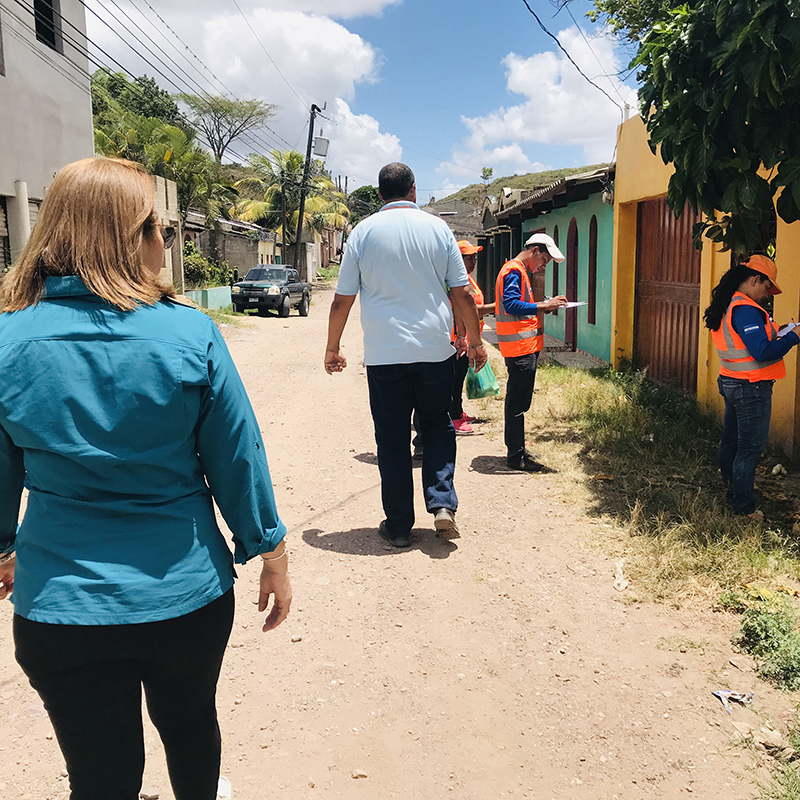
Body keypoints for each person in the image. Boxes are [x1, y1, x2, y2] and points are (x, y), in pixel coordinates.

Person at [0, 157, 291, 800]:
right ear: (128, 235)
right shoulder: (191, 333)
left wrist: (3, 549)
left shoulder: (7, 341)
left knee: (98, 774)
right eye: (159, 224)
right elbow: (236, 457)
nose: (168, 237)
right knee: (190, 727)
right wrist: (269, 549)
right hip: (184, 596)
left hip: (59, 606)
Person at [324, 162, 487, 547]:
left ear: (380, 194)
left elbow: (341, 300)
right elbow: (462, 293)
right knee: (436, 427)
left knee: (393, 439)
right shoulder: (437, 229)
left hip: (385, 357)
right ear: (414, 190)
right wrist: (476, 342)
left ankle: (398, 525)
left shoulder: (361, 234)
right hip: (435, 353)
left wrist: (333, 347)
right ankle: (442, 504)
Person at [705, 255, 800, 521]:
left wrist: (777, 332)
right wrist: (793, 337)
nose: (767, 294)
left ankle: (732, 493)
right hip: (751, 388)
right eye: (767, 287)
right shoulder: (746, 309)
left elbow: (749, 342)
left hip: (731, 381)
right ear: (755, 279)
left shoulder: (727, 303)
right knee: (749, 448)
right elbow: (762, 351)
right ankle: (744, 509)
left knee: (731, 443)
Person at [495, 233, 568, 471]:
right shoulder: (514, 271)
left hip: (522, 347)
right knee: (517, 404)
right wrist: (542, 305)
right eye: (544, 260)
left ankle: (517, 450)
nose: (542, 266)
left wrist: (544, 304)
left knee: (519, 403)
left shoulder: (517, 271)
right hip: (519, 349)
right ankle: (516, 457)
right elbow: (511, 304)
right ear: (534, 250)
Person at [450, 240, 496, 434]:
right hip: (456, 340)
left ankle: (458, 412)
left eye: (474, 257)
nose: (474, 262)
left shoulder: (469, 279)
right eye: (469, 258)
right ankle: (453, 417)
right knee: (454, 380)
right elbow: (468, 309)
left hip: (468, 337)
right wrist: (496, 307)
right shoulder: (457, 283)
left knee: (459, 378)